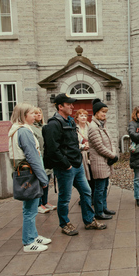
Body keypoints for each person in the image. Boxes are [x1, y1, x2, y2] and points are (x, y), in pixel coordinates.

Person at [43, 93, 106, 235]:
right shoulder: (54, 124)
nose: (72, 106)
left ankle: (89, 220)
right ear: (60, 106)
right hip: (66, 167)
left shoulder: (70, 121)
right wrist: (66, 164)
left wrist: (80, 149)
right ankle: (64, 223)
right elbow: (53, 149)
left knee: (86, 191)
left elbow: (71, 144)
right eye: (69, 104)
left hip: (77, 165)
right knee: (65, 198)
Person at [8, 103, 51, 252]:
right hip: (29, 174)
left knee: (30, 208)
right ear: (24, 115)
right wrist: (43, 178)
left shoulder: (17, 130)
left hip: (25, 172)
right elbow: (33, 157)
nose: (35, 116)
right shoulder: (24, 132)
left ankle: (33, 235)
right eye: (32, 113)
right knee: (30, 210)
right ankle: (28, 241)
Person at [88, 98, 118, 219]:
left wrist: (114, 153)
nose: (104, 114)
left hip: (105, 161)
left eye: (105, 112)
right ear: (96, 112)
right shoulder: (93, 127)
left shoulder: (102, 125)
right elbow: (99, 147)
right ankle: (99, 212)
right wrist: (113, 156)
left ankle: (104, 208)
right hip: (99, 162)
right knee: (99, 189)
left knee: (105, 187)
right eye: (102, 112)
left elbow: (111, 142)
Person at [30, 107, 56, 214]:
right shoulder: (31, 128)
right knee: (41, 181)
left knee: (47, 179)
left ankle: (45, 201)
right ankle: (38, 204)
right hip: (39, 157)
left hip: (47, 157)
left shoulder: (44, 127)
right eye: (35, 113)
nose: (38, 115)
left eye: (40, 113)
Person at [75, 109, 95, 196]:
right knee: (83, 176)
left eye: (85, 116)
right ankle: (84, 195)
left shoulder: (91, 127)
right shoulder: (74, 129)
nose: (83, 117)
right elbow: (73, 142)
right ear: (77, 118)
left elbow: (95, 139)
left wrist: (89, 144)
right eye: (81, 115)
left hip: (91, 154)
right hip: (81, 155)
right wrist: (81, 146)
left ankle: (93, 195)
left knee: (93, 175)